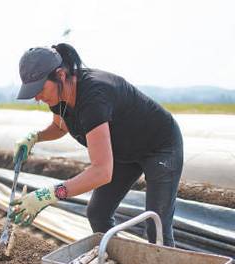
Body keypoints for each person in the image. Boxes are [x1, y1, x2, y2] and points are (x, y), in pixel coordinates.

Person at [10, 43, 183, 246]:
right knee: (98, 213)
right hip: (124, 151)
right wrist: (34, 137)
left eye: (40, 88)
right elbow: (60, 126)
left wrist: (48, 195)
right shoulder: (58, 97)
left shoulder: (94, 97)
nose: (37, 97)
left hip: (160, 147)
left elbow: (101, 171)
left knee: (157, 226)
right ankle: (119, 263)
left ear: (61, 74)